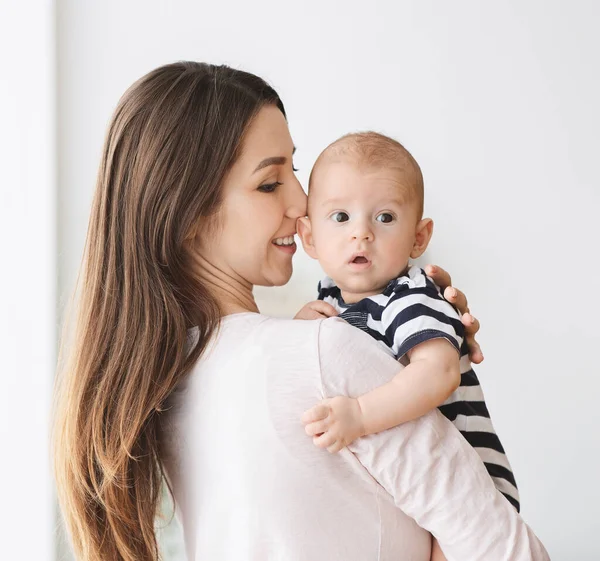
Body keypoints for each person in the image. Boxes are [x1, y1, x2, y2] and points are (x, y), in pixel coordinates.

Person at [52, 61, 549, 561]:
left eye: (294, 168)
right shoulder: (320, 353)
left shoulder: (168, 386)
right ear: (189, 213)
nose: (302, 201)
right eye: (271, 183)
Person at [294, 131, 519, 561]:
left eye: (384, 218)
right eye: (340, 217)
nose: (361, 233)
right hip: (413, 492)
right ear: (309, 236)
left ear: (419, 238)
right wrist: (301, 330)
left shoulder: (412, 296)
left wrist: (359, 416)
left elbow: (439, 373)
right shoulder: (331, 299)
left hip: (469, 490)